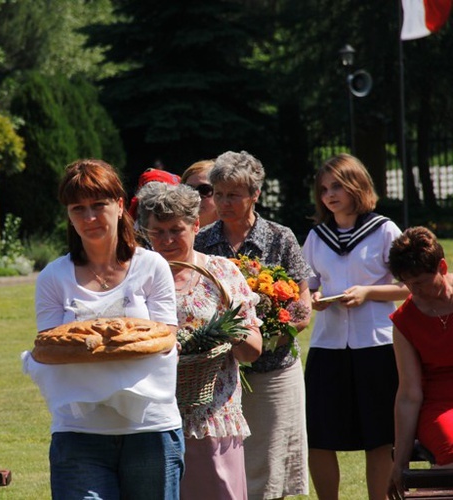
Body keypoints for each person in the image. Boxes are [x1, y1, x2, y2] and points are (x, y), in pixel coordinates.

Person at [25, 158, 184, 499]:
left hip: (150, 427)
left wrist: (90, 348)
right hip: (78, 430)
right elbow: (50, 351)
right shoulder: (54, 277)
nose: (90, 217)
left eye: (99, 205)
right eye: (78, 208)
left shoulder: (151, 266)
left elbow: (166, 340)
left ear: (121, 205)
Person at [194, 150, 313, 500]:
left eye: (234, 194)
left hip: (275, 370)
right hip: (219, 372)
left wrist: (280, 330)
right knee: (225, 462)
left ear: (255, 194)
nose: (224, 202)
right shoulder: (202, 240)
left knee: (269, 464)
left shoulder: (280, 237)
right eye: (218, 193)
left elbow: (302, 301)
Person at [136, 182, 262, 499]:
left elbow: (252, 352)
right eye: (157, 232)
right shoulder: (136, 278)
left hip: (212, 416)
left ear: (195, 225)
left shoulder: (220, 273)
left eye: (176, 230)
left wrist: (230, 331)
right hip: (150, 417)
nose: (166, 240)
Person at [302, 153, 407, 500]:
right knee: (319, 435)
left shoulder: (384, 230)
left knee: (379, 437)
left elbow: (407, 286)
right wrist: (313, 297)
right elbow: (307, 283)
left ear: (356, 187)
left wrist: (368, 292)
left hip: (375, 346)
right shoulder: (317, 236)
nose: (329, 195)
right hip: (328, 347)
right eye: (324, 188)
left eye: (338, 187)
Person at [387, 226, 453, 499]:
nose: (415, 290)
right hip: (437, 406)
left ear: (442, 266)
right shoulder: (404, 321)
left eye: (423, 281)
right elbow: (409, 394)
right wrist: (399, 462)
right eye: (407, 283)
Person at [181, 160, 217, 227]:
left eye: (204, 190)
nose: (195, 196)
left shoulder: (237, 235)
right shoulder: (169, 232)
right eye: (188, 189)